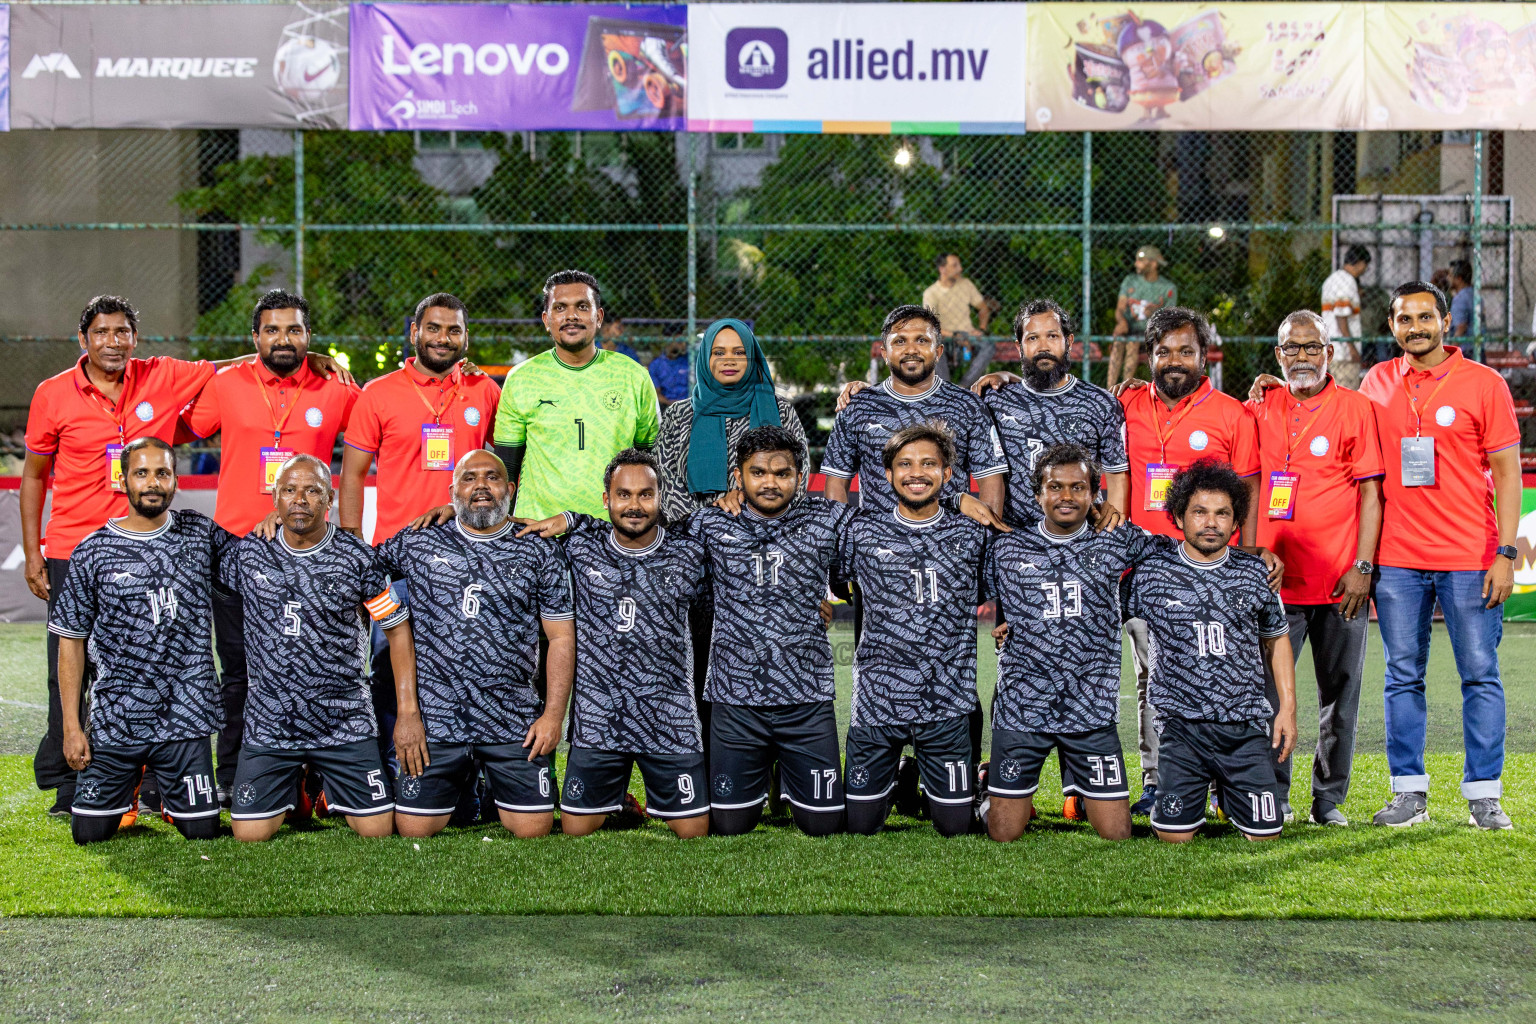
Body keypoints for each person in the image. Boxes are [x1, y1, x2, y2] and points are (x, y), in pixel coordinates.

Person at [21, 293, 345, 815]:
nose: (113, 342)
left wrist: (308, 360)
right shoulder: (53, 393)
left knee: (171, 659)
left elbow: (226, 368)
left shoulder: (163, 375)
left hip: (184, 543)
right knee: (77, 666)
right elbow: (35, 474)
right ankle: (72, 781)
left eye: (122, 332)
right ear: (83, 340)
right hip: (78, 544)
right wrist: (31, 549)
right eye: (102, 333)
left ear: (135, 337)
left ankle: (169, 782)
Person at [182, 290, 361, 804]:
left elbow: (383, 433)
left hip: (315, 553)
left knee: (321, 667)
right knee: (239, 673)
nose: (284, 339)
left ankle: (319, 780)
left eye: (295, 330)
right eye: (273, 330)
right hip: (241, 553)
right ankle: (234, 777)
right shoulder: (227, 384)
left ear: (309, 336)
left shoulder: (336, 388)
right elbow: (177, 430)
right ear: (255, 338)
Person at [1357, 280, 1521, 830]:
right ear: (1391, 326)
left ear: (1447, 323)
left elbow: (1507, 475)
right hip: (1398, 558)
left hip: (1471, 556)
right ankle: (1408, 794)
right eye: (1405, 319)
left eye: (1426, 318)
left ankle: (1484, 796)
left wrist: (1505, 551)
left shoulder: (1485, 384)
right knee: (1402, 675)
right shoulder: (1377, 382)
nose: (1416, 328)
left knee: (1480, 673)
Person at [1113, 306, 1266, 817]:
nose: (1174, 360)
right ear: (1150, 355)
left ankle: (1224, 781)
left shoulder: (1232, 413)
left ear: (1204, 356)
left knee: (1218, 670)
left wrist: (1244, 557)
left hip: (1212, 566)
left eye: (1186, 351)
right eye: (1164, 352)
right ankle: (1159, 780)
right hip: (1145, 567)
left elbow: (1248, 488)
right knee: (1151, 679)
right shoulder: (1127, 404)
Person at [339, 292, 500, 776]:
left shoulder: (484, 391)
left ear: (465, 338)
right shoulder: (380, 392)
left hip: (471, 560)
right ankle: (393, 771)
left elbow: (504, 469)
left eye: (453, 330)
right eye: (434, 328)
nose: (443, 338)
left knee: (469, 667)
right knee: (388, 668)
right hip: (396, 564)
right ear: (414, 332)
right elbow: (352, 475)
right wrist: (351, 547)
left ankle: (470, 781)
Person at [374, 451, 574, 839]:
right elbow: (359, 569)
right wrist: (392, 618)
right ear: (452, 492)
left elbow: (561, 637)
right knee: (413, 829)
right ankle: (466, 788)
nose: (481, 486)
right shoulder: (420, 541)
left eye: (492, 477)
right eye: (469, 479)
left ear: (510, 489)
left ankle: (486, 781)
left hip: (511, 720)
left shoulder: (538, 549)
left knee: (533, 829)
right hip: (437, 722)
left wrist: (552, 717)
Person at [219, 455, 412, 841]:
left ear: (330, 500)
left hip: (343, 719)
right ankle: (295, 790)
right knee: (248, 835)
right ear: (275, 500)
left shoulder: (357, 559)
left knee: (377, 831)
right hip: (272, 721)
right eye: (289, 490)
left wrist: (407, 710)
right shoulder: (248, 554)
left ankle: (325, 788)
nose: (300, 499)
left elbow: (396, 629)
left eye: (312, 490)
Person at [984, 444, 1168, 843]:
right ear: (1038, 495)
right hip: (1023, 709)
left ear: (1094, 494)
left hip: (1090, 710)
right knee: (1003, 833)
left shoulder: (1116, 540)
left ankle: (1082, 794)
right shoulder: (1006, 547)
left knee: (1117, 834)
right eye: (1055, 487)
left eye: (1078, 487)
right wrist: (1005, 625)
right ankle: (987, 787)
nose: (1066, 497)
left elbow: (1176, 555)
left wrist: (1251, 558)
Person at [50, 438, 229, 844]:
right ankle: (129, 789)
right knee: (89, 834)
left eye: (162, 473)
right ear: (123, 479)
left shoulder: (199, 534)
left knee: (202, 832)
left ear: (175, 480)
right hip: (117, 718)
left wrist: (273, 522)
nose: (153, 482)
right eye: (142, 473)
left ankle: (170, 795)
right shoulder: (93, 551)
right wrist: (73, 728)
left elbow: (255, 563)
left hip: (186, 717)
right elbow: (71, 644)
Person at [1245, 311, 1385, 826]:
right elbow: (1250, 484)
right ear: (1277, 355)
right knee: (1265, 697)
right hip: (1272, 582)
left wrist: (1362, 567)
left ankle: (1327, 801)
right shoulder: (1258, 405)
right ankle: (1271, 796)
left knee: (1339, 697)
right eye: (1291, 349)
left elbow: (1371, 494)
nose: (1302, 357)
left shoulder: (1356, 409)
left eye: (1312, 348)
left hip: (1339, 582)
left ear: (1328, 353)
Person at [529, 450, 710, 838]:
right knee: (576, 829)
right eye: (624, 494)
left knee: (694, 832)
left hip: (668, 714)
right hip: (599, 715)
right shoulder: (580, 547)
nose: (635, 505)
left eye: (646, 495)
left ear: (661, 498)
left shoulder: (689, 551)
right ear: (607, 498)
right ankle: (621, 801)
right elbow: (498, 534)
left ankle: (635, 797)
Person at [1126, 460, 1297, 843]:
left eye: (1222, 514)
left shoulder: (1256, 573)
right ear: (1179, 515)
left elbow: (1277, 638)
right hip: (1182, 728)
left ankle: (1233, 795)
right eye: (1199, 512)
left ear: (1236, 521)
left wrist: (1287, 709)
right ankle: (1190, 792)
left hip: (1243, 729)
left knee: (1265, 836)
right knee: (1174, 836)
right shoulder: (1152, 572)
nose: (1211, 523)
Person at [837, 422, 992, 837]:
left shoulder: (973, 533)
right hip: (877, 703)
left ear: (947, 474)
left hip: (945, 704)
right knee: (858, 825)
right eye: (904, 464)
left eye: (928, 463)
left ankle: (940, 775)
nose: (916, 473)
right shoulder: (859, 531)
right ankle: (898, 775)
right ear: (887, 475)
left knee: (956, 827)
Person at [492, 269, 660, 522]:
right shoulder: (521, 379)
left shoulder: (633, 376)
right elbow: (507, 468)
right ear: (546, 319)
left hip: (612, 532)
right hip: (538, 531)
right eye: (560, 308)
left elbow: (652, 462)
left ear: (599, 316)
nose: (571, 316)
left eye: (582, 306)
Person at [824, 305, 1007, 517]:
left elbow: (992, 483)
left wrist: (982, 542)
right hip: (878, 544)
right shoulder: (857, 406)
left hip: (949, 544)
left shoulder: (968, 406)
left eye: (922, 340)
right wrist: (846, 539)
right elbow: (836, 484)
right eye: (900, 341)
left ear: (938, 351)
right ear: (884, 353)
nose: (911, 349)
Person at [971, 298, 1130, 527]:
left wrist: (1112, 536)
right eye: (1033, 338)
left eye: (1052, 336)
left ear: (1069, 341)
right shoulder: (996, 400)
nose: (1043, 346)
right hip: (1017, 540)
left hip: (1080, 539)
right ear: (1019, 347)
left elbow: (1116, 478)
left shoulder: (1101, 403)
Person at [656, 318, 807, 524]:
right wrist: (708, 523)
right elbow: (664, 480)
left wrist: (751, 516)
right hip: (695, 536)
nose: (729, 360)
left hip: (767, 532)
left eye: (739, 352)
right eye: (718, 353)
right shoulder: (679, 414)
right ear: (706, 357)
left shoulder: (780, 410)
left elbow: (799, 473)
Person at [921, 253, 996, 388]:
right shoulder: (930, 293)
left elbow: (983, 308)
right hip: (945, 338)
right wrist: (955, 336)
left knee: (989, 345)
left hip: (968, 337)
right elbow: (931, 326)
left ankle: (964, 387)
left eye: (959, 265)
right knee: (932, 346)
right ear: (942, 269)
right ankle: (946, 389)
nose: (960, 269)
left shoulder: (966, 284)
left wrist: (981, 329)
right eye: (955, 265)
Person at [1108, 245, 1178, 388]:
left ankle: (1123, 391)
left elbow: (1170, 319)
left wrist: (1154, 313)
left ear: (1153, 264)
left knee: (1133, 344)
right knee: (1118, 342)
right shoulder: (1130, 281)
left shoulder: (1168, 288)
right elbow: (1120, 308)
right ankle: (1109, 391)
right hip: (1130, 329)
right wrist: (1121, 322)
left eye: (1140, 260)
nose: (1136, 264)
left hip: (1153, 335)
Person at [1321, 244, 1372, 386]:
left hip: (1333, 347)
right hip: (1344, 354)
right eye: (1366, 265)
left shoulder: (1331, 280)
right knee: (1347, 394)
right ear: (1361, 263)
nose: (1365, 269)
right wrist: (1352, 348)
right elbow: (1341, 316)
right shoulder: (1347, 281)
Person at [649, 338, 691, 408]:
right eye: (680, 342)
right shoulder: (656, 364)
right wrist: (669, 403)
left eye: (685, 343)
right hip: (666, 405)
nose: (684, 345)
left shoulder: (689, 360)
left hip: (690, 403)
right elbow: (656, 392)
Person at [1448, 259, 1475, 338]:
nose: (1447, 278)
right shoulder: (1474, 295)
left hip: (1464, 349)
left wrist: (1452, 349)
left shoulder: (1459, 299)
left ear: (1459, 279)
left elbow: (1460, 328)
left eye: (1450, 275)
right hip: (1475, 347)